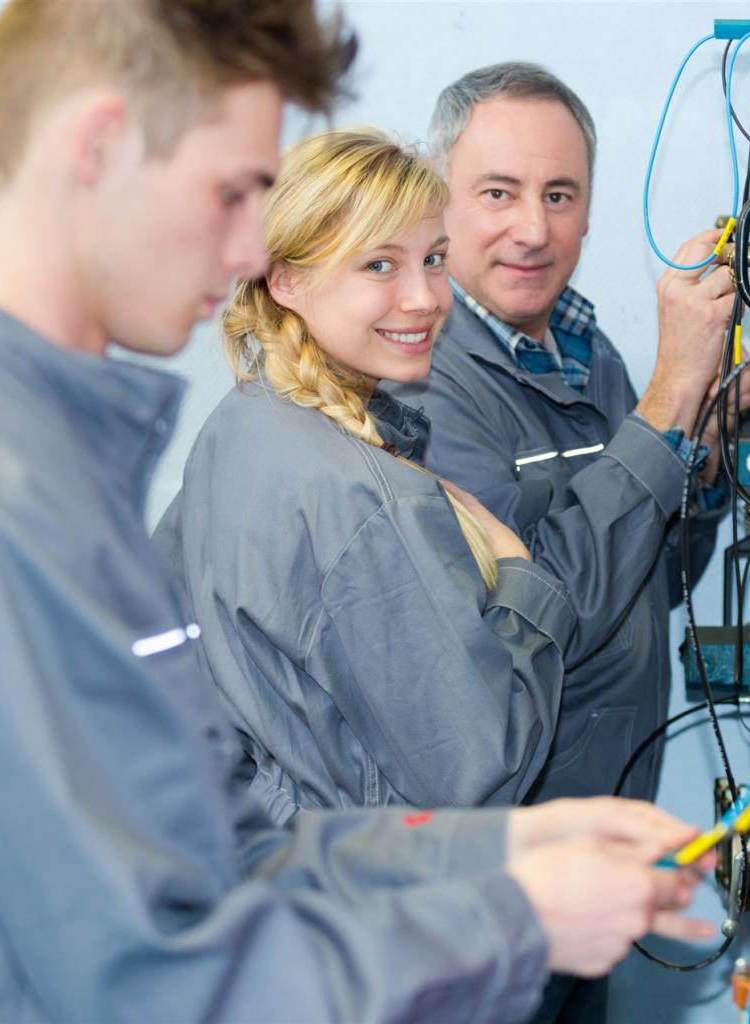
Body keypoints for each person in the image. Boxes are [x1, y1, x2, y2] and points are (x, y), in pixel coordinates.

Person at [0, 4, 715, 1022]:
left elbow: (216, 831)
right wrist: (512, 915)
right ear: (98, 147)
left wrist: (497, 849)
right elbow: (144, 970)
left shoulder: (47, 450)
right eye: (233, 189)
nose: (256, 247)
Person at [154, 127, 576, 824]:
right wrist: (521, 576)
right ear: (285, 279)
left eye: (433, 258)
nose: (424, 299)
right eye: (379, 267)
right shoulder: (367, 499)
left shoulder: (243, 419)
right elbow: (475, 776)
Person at [387, 62, 750, 804]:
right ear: (438, 202)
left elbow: (657, 578)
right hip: (512, 836)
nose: (533, 230)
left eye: (559, 196)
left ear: (588, 212)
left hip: (607, 804)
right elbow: (530, 618)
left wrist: (704, 444)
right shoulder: (420, 380)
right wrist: (667, 402)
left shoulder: (588, 352)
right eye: (499, 193)